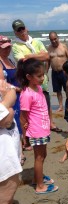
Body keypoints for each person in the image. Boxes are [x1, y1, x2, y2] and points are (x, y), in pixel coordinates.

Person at [0, 79, 40, 204]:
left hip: (7, 154)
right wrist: (8, 101)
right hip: (2, 159)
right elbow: (5, 118)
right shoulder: (7, 95)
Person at [16, 58, 59, 194]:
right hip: (36, 131)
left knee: (43, 155)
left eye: (43, 75)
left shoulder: (38, 88)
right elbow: (23, 117)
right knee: (39, 157)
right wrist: (25, 137)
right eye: (39, 76)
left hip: (43, 128)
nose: (42, 78)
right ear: (29, 77)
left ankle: (36, 178)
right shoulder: (26, 94)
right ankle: (40, 186)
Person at [11, 19, 61, 133]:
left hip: (42, 80)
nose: (22, 31)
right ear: (15, 33)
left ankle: (50, 123)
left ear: (26, 28)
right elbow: (23, 62)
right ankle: (33, 127)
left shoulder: (37, 42)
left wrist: (30, 56)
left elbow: (47, 56)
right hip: (29, 82)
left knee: (46, 102)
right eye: (18, 30)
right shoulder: (16, 46)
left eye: (22, 28)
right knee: (30, 107)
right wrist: (37, 56)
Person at [0, 35, 26, 165]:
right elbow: (2, 83)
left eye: (9, 47)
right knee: (12, 124)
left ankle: (20, 151)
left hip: (18, 97)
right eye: (4, 48)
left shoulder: (10, 60)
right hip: (9, 99)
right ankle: (17, 155)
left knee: (20, 124)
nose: (7, 50)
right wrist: (17, 89)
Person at [48, 31, 68, 112]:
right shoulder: (49, 48)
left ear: (58, 37)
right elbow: (48, 61)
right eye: (51, 40)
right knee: (58, 91)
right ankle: (60, 106)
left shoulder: (63, 46)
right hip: (54, 72)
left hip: (64, 72)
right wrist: (45, 73)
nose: (54, 41)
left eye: (55, 39)